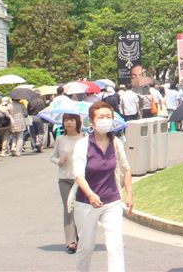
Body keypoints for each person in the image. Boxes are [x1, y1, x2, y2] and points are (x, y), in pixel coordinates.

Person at [71, 101, 132, 272]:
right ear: (92, 122)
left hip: (112, 201)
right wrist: (90, 194)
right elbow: (78, 175)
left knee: (115, 246)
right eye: (101, 117)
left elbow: (126, 168)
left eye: (108, 117)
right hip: (86, 203)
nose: (105, 120)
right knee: (86, 247)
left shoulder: (116, 142)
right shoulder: (83, 145)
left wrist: (129, 194)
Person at [51, 113, 82, 254]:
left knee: (81, 209)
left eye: (71, 120)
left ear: (77, 122)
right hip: (64, 179)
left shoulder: (84, 139)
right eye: (66, 120)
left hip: (81, 179)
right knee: (68, 208)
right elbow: (52, 156)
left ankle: (81, 236)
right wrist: (59, 161)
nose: (68, 123)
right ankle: (71, 241)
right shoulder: (60, 139)